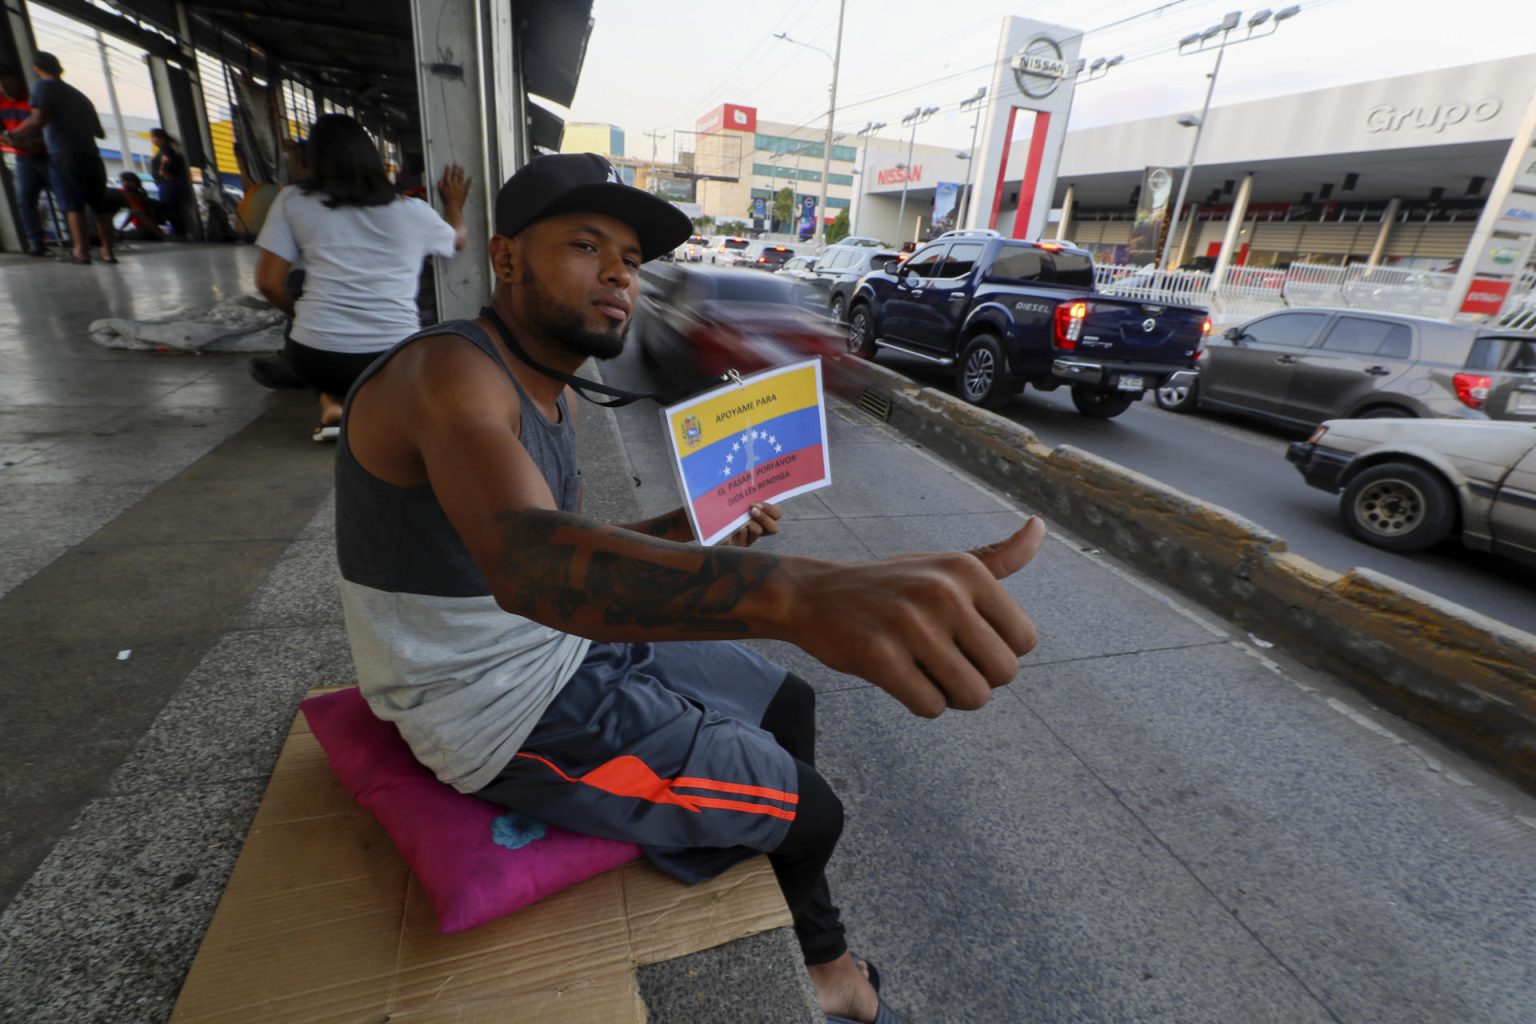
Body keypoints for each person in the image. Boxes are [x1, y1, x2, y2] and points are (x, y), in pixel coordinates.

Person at [337, 152, 1047, 1024]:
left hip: (556, 642)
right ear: (506, 256)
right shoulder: (450, 372)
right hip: (496, 710)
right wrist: (792, 593)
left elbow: (569, 553)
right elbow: (529, 563)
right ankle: (827, 969)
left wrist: (685, 528)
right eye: (586, 246)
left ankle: (763, 835)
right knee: (814, 811)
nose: (616, 277)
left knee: (789, 705)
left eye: (632, 261)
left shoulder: (548, 388)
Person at [253, 114, 469, 440]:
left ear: (316, 158)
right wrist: (454, 205)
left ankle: (331, 403)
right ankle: (375, 407)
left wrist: (301, 316)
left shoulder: (293, 201)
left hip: (316, 357)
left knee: (300, 288)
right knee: (386, 379)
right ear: (373, 158)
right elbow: (457, 239)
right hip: (394, 358)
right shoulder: (413, 211)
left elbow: (268, 283)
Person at [3, 52, 115, 264]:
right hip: (91, 154)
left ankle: (80, 252)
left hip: (64, 153)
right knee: (101, 204)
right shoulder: (80, 96)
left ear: (37, 68)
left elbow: (37, 119)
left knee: (72, 203)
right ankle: (107, 252)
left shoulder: (42, 87)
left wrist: (12, 134)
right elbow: (99, 132)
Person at [0, 65, 51, 257]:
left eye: (7, 81)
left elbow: (48, 124)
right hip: (23, 156)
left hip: (46, 153)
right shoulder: (1, 102)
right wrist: (14, 142)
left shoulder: (32, 99)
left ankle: (78, 239)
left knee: (66, 198)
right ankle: (36, 242)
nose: (4, 87)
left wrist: (37, 143)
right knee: (25, 199)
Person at [149, 127, 190, 239]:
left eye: (153, 137)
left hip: (167, 184)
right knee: (173, 208)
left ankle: (179, 233)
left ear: (160, 138)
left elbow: (165, 159)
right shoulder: (167, 149)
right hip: (168, 183)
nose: (153, 140)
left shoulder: (165, 149)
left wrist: (162, 170)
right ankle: (179, 232)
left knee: (170, 209)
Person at [114, 172, 165, 241]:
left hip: (145, 230)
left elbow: (136, 213)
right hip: (150, 230)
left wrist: (120, 229)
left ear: (131, 182)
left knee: (118, 236)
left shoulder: (131, 195)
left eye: (123, 181)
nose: (122, 184)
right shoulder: (141, 193)